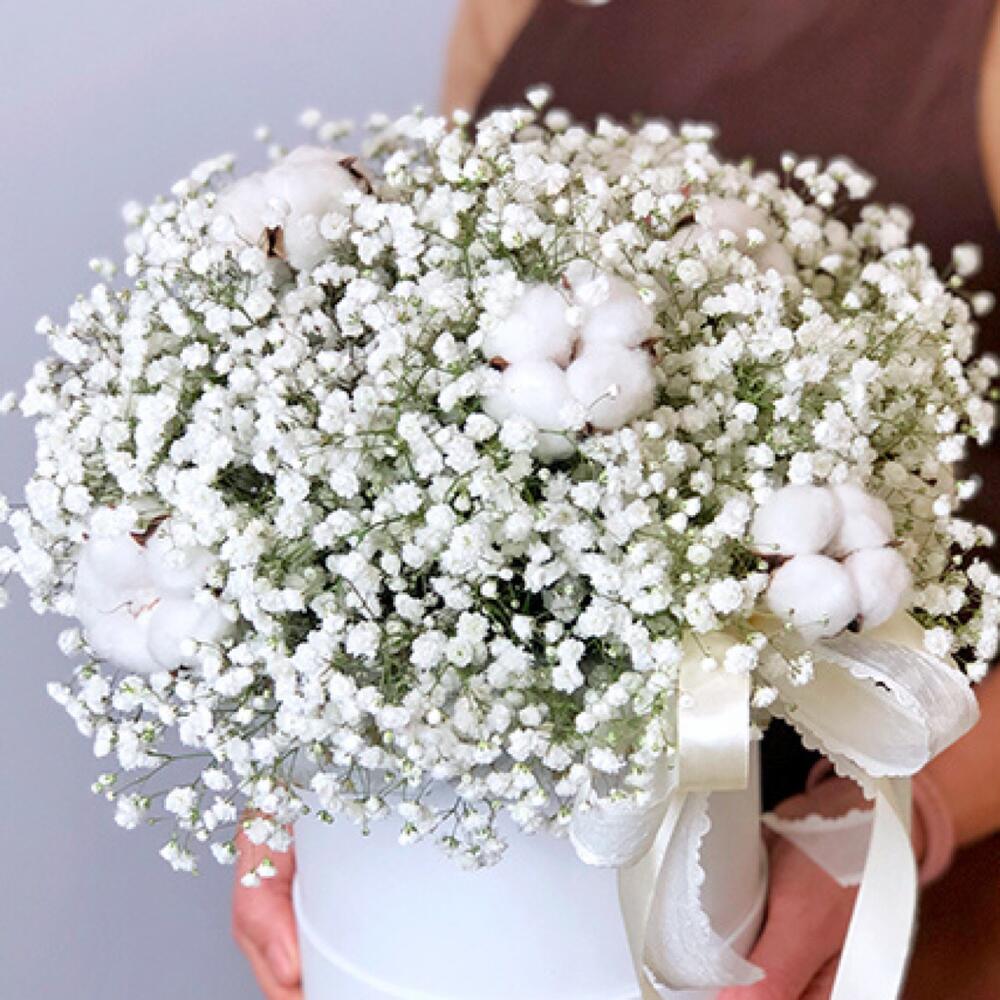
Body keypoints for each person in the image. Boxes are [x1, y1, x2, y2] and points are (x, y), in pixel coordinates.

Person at [233, 2, 1000, 997]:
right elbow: (433, 354)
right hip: (461, 906)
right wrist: (315, 754)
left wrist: (894, 821)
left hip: (841, 916)